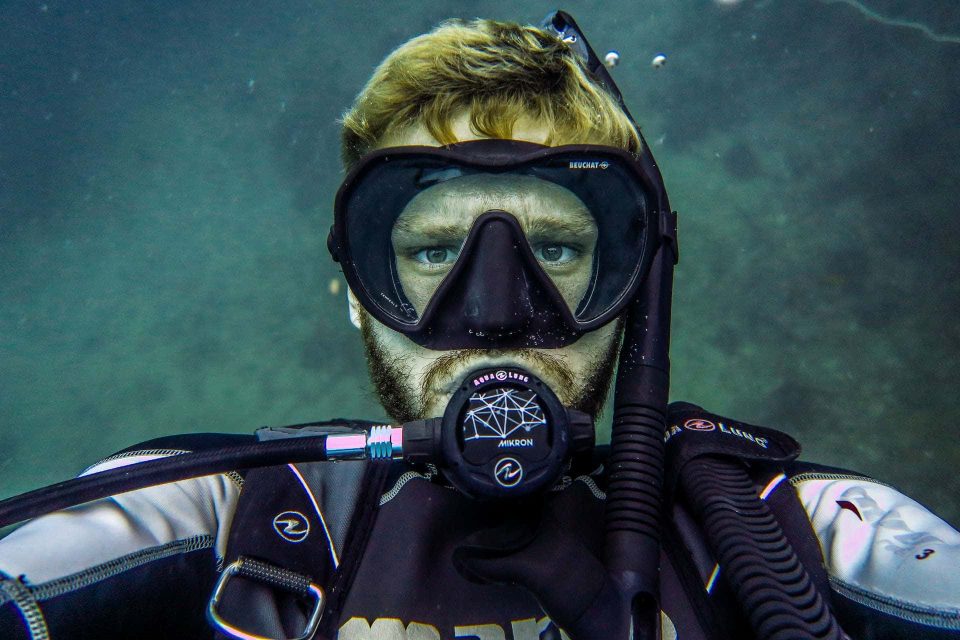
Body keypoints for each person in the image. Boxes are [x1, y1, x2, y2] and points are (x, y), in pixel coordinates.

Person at [0, 14, 958, 640]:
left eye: (555, 248)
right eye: (429, 254)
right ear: (352, 287)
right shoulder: (222, 520)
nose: (495, 314)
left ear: (635, 283)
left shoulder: (777, 534)